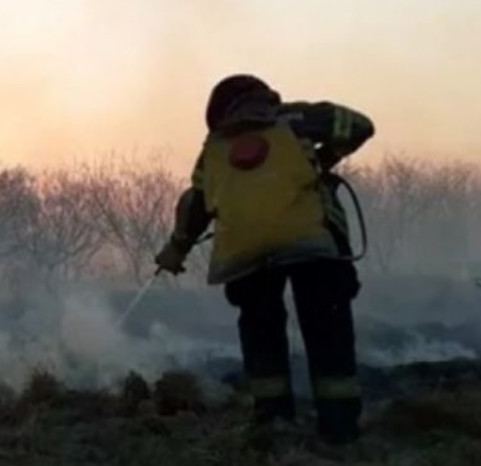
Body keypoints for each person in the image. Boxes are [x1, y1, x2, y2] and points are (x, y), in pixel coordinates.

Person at [154, 74, 375, 445]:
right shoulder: (296, 120)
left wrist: (176, 249)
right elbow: (359, 125)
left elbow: (195, 204)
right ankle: (339, 430)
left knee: (261, 333)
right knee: (327, 331)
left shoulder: (214, 148)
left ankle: (273, 423)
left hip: (245, 256)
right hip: (311, 247)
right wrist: (324, 158)